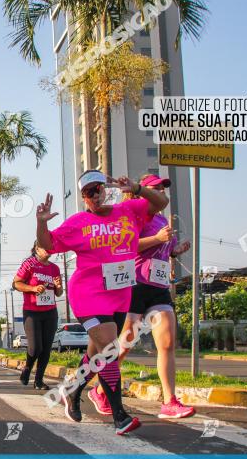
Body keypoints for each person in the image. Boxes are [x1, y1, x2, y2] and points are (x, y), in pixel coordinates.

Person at [36, 170, 168, 435]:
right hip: (88, 294)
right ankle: (119, 416)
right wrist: (41, 223)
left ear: (107, 189)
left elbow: (160, 204)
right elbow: (47, 244)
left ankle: (73, 390)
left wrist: (138, 188)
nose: (95, 195)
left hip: (119, 295)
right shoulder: (78, 222)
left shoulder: (129, 210)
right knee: (110, 350)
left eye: (98, 188)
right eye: (88, 192)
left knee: (97, 356)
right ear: (84, 198)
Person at [89, 174, 194, 419]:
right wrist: (157, 239)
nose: (161, 191)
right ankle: (99, 390)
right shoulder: (133, 215)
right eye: (156, 187)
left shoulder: (161, 219)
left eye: (163, 188)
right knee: (124, 346)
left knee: (167, 343)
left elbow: (164, 250)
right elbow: (127, 245)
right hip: (135, 285)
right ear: (142, 192)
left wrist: (175, 251)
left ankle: (170, 401)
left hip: (158, 286)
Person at [13, 242, 63, 389]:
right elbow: (16, 284)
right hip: (32, 312)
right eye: (45, 248)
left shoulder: (55, 268)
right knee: (35, 348)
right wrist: (33, 288)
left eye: (50, 248)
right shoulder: (29, 264)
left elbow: (59, 293)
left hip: (50, 312)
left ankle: (39, 381)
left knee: (46, 348)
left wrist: (58, 286)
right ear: (36, 249)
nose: (48, 250)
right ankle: (27, 367)